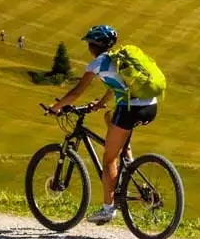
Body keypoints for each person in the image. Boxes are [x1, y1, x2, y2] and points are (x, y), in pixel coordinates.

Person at [48, 25, 158, 225]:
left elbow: (76, 92)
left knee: (108, 159)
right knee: (110, 118)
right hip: (150, 106)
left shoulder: (97, 64)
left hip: (130, 109)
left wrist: (56, 107)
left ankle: (109, 209)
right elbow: (116, 86)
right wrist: (99, 104)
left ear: (93, 45)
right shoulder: (119, 58)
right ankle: (129, 167)